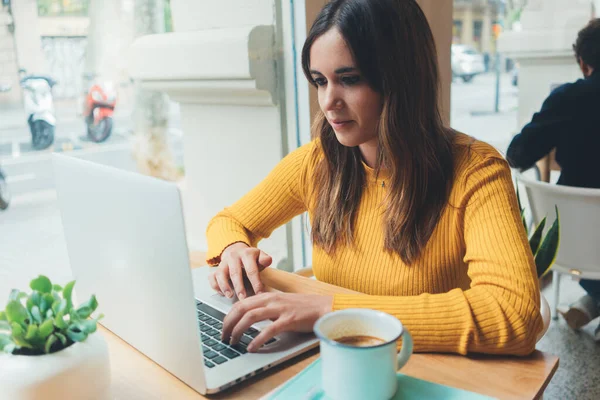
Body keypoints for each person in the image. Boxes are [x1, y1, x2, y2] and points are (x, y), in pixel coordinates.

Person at [206, 0, 542, 355]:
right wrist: (234, 250)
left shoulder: (476, 171)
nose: (328, 102)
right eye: (320, 81)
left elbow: (514, 313)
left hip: (424, 374)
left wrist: (332, 312)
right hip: (338, 362)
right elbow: (229, 222)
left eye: (349, 80)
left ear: (401, 80)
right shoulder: (318, 161)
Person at [506, 18, 600, 340]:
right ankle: (593, 303)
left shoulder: (567, 99)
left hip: (575, 245)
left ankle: (592, 301)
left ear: (584, 64)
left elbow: (516, 154)